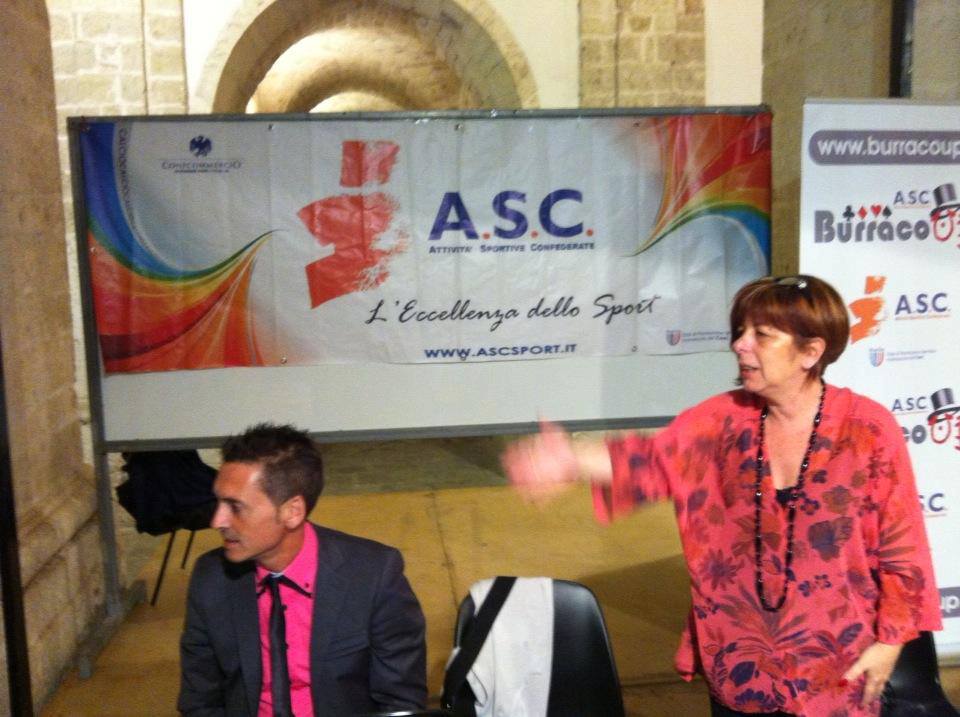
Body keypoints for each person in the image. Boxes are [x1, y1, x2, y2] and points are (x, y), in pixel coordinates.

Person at [503, 275, 942, 717]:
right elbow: (652, 462)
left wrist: (890, 643)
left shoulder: (867, 429)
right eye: (740, 331)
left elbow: (902, 546)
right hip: (739, 663)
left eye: (761, 335)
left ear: (811, 352)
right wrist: (570, 458)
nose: (739, 345)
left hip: (837, 666)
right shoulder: (721, 420)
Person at [178, 423, 427, 716]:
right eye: (218, 502)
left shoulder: (373, 575)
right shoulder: (211, 578)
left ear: (292, 511)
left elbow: (401, 701)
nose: (217, 521)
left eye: (236, 507)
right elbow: (200, 700)